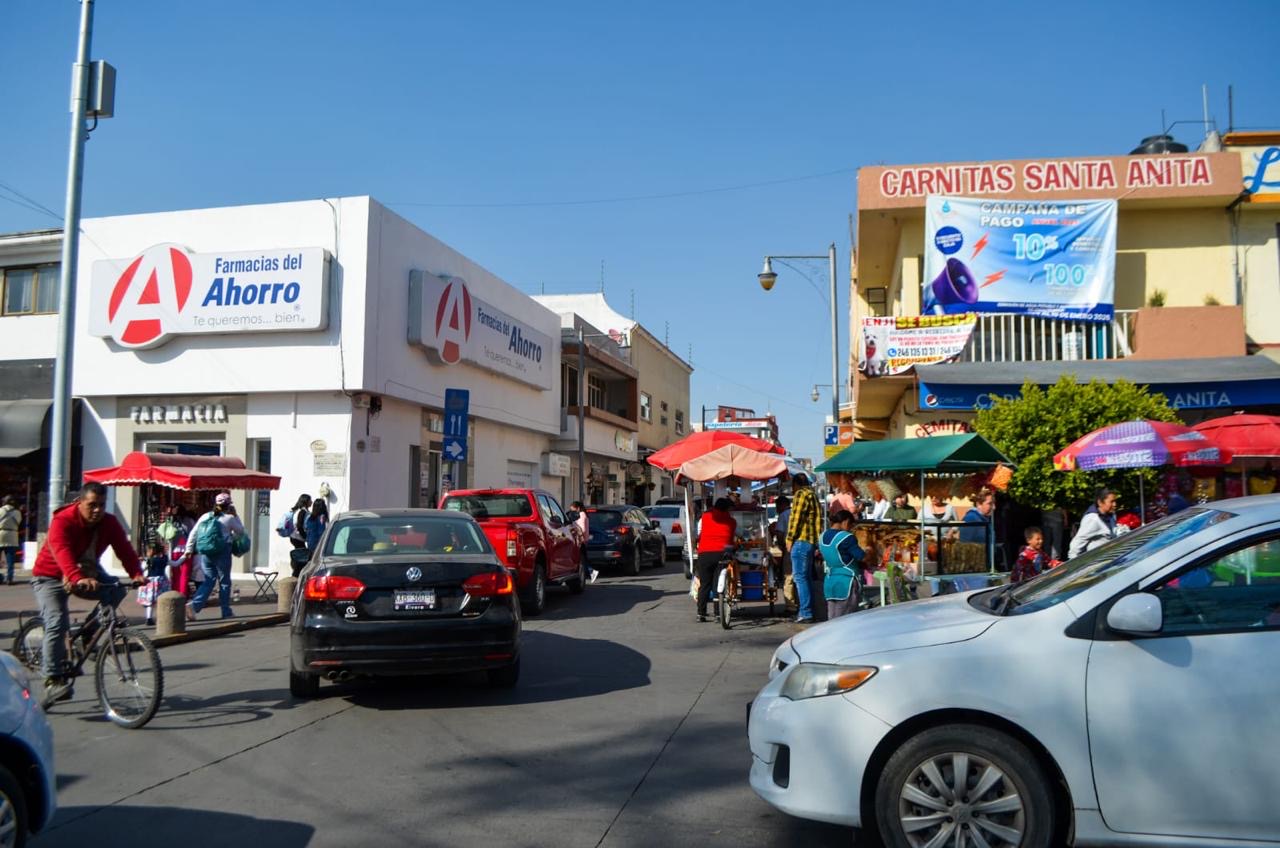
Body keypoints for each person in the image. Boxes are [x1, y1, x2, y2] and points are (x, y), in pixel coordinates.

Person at [31, 482, 143, 707]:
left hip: (85, 571)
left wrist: (137, 573)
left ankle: (87, 634)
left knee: (116, 589)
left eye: (101, 505)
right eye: (92, 505)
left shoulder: (109, 523)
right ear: (79, 502)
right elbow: (62, 552)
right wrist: (76, 577)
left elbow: (124, 549)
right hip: (49, 576)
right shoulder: (63, 521)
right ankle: (53, 678)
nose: (97, 510)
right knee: (56, 622)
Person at [182, 492, 245, 620]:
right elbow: (241, 531)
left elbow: (194, 533)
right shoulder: (229, 518)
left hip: (206, 553)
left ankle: (194, 605)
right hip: (223, 552)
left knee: (208, 581)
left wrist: (188, 549)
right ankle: (226, 611)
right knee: (224, 582)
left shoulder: (205, 516)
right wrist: (236, 516)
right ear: (228, 505)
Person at [786, 473, 822, 624]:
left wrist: (789, 538)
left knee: (800, 578)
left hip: (801, 541)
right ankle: (808, 611)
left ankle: (805, 613)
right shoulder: (813, 495)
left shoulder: (801, 494)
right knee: (805, 578)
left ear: (796, 484)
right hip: (810, 542)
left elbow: (796, 519)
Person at [694, 498, 736, 622]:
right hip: (721, 554)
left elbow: (699, 533)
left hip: (704, 553)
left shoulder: (705, 517)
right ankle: (718, 614)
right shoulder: (731, 521)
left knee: (704, 584)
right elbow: (731, 538)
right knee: (717, 584)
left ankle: (701, 613)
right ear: (727, 509)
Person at [818, 510, 865, 619]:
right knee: (846, 620)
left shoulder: (822, 536)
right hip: (846, 582)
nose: (850, 528)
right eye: (851, 525)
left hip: (830, 581)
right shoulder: (847, 537)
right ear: (846, 521)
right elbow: (861, 556)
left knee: (832, 618)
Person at [1068, 487, 1118, 559]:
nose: (1115, 504)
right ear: (1100, 502)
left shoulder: (1111, 516)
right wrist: (1073, 564)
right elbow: (1078, 542)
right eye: (1111, 501)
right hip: (1096, 563)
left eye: (1115, 501)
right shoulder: (1093, 519)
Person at [138, 542, 172, 626]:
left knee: (150, 602)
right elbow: (176, 563)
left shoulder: (148, 560)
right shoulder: (164, 559)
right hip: (161, 581)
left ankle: (149, 618)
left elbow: (142, 569)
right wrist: (184, 557)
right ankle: (163, 618)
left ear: (151, 551)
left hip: (150, 582)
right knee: (161, 600)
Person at [571, 500, 598, 584]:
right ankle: (591, 572)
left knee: (582, 559)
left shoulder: (582, 516)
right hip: (583, 539)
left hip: (581, 540)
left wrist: (579, 535)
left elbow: (583, 529)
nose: (573, 512)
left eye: (573, 510)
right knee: (583, 559)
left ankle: (592, 572)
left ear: (578, 508)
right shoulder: (583, 515)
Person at [0, 495, 23, 585]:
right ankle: (10, 578)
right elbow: (19, 522)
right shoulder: (17, 512)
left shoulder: (1, 510)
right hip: (12, 535)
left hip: (1, 534)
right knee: (10, 559)